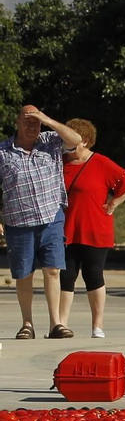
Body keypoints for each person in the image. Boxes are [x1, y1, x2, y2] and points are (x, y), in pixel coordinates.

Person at [2, 105, 83, 340]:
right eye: (27, 120)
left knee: (53, 270)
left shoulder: (50, 141)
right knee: (23, 274)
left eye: (35, 122)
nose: (32, 126)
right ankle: (27, 323)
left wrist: (46, 120)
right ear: (17, 121)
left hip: (51, 218)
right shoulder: (3, 151)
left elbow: (76, 140)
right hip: (18, 221)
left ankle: (56, 323)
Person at [56, 119, 125, 341]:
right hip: (66, 229)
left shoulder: (100, 162)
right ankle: (60, 324)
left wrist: (114, 203)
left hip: (95, 229)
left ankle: (97, 326)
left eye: (71, 142)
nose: (66, 146)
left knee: (93, 275)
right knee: (66, 276)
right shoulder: (59, 163)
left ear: (85, 142)